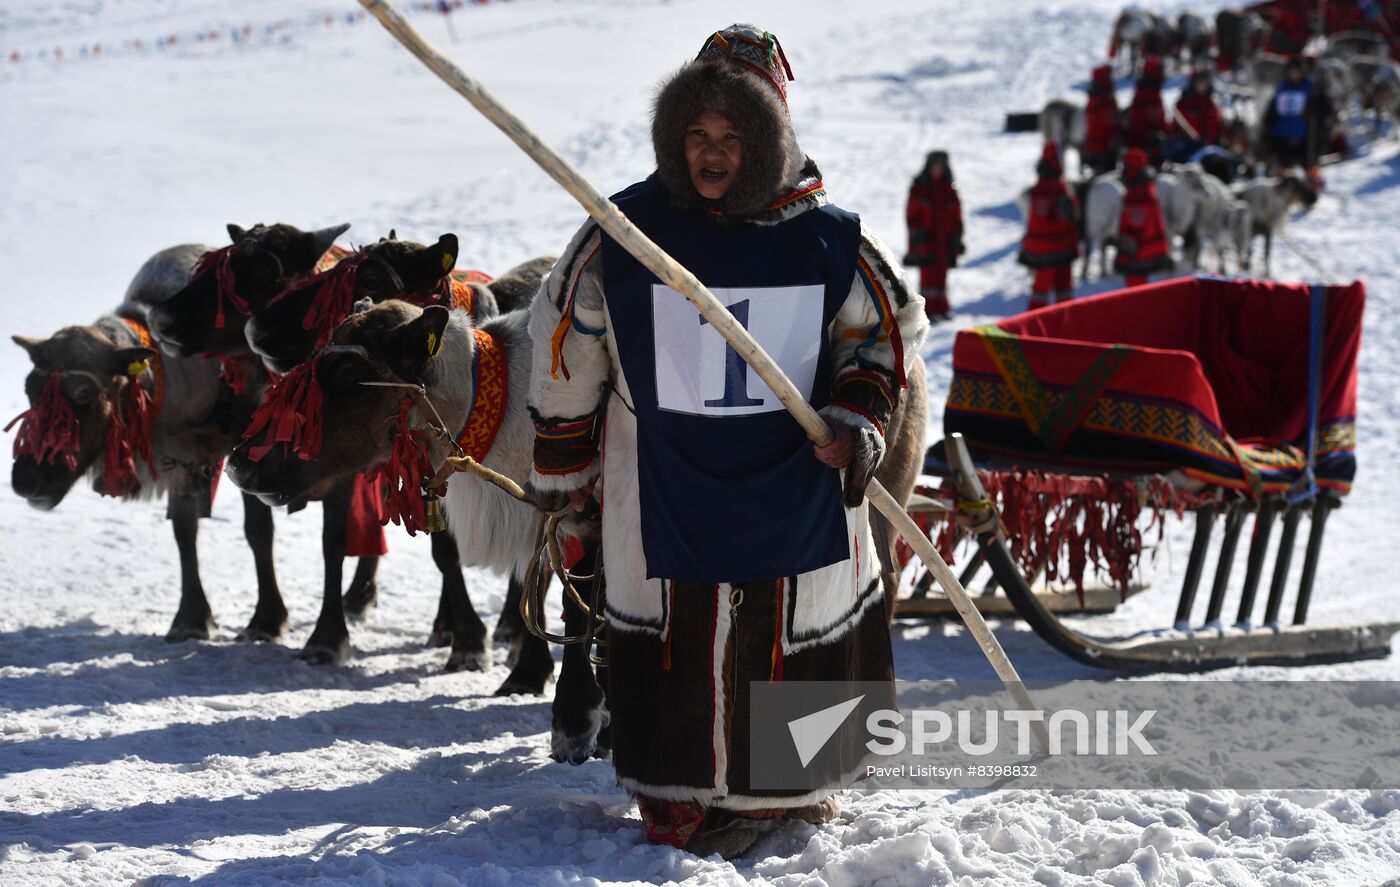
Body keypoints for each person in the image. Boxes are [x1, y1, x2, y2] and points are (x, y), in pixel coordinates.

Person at [526, 24, 927, 858]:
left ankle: (793, 788)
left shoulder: (826, 236)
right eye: (696, 136)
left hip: (799, 478)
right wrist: (565, 478)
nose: (710, 155)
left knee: (789, 624)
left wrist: (858, 414)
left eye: (733, 138)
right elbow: (567, 336)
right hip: (660, 478)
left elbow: (886, 334)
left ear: (770, 138)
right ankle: (680, 802)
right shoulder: (626, 232)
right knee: (679, 631)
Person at [902, 150, 964, 321]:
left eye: (940, 167)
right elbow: (912, 214)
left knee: (941, 276)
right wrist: (917, 234)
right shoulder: (920, 189)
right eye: (934, 166)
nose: (937, 170)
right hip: (926, 242)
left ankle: (942, 308)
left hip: (944, 242)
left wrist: (957, 238)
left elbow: (957, 216)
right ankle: (927, 311)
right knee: (927, 277)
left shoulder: (950, 190)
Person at [1018, 142, 1080, 310]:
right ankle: (1062, 325)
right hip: (1059, 247)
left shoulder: (1038, 190)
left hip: (1042, 249)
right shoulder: (1058, 189)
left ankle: (1037, 321)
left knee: (1042, 289)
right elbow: (1065, 218)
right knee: (1062, 289)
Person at [1115, 147, 1172, 287]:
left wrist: (1124, 245)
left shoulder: (1138, 192)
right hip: (1144, 247)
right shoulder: (1146, 187)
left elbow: (1136, 221)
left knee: (1135, 288)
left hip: (1137, 250)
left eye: (1126, 166)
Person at [1264, 58, 1313, 170]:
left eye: (1297, 72)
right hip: (1282, 136)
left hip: (1303, 137)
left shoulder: (1311, 88)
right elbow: (1273, 109)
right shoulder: (1282, 88)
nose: (1294, 75)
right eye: (1292, 72)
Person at [1167, 69, 1223, 163]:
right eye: (1200, 83)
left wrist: (1216, 139)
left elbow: (1217, 126)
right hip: (1188, 148)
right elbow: (1176, 127)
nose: (1202, 86)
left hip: (1209, 148)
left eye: (1205, 83)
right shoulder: (1184, 103)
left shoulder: (1211, 105)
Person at [1125, 56, 1167, 168]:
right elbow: (1137, 122)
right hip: (1144, 147)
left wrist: (1165, 132)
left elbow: (1161, 117)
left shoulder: (1156, 95)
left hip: (1158, 145)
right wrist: (1151, 135)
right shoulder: (1142, 96)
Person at [1083, 64, 1122, 176]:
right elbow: (1110, 123)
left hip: (1095, 148)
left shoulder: (1095, 100)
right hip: (1104, 150)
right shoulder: (1104, 103)